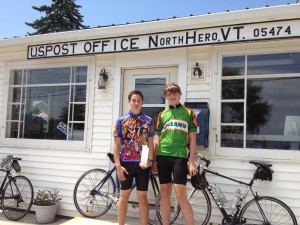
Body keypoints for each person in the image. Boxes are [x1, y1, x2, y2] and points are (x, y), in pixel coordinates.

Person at [154, 82, 198, 225]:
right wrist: (153, 160)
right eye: (169, 93)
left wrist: (191, 161)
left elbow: (192, 140)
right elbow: (157, 140)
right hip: (162, 156)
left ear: (180, 94)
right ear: (165, 96)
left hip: (179, 156)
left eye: (174, 92)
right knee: (165, 194)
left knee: (180, 195)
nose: (172, 95)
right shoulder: (162, 115)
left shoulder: (188, 113)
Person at [113, 90, 155, 225]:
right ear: (129, 102)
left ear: (142, 102)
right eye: (133, 100)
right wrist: (118, 166)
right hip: (126, 164)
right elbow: (116, 144)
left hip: (142, 164)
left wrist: (151, 160)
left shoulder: (148, 121)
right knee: (123, 197)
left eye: (139, 100)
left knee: (142, 198)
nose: (136, 103)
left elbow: (150, 142)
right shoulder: (120, 121)